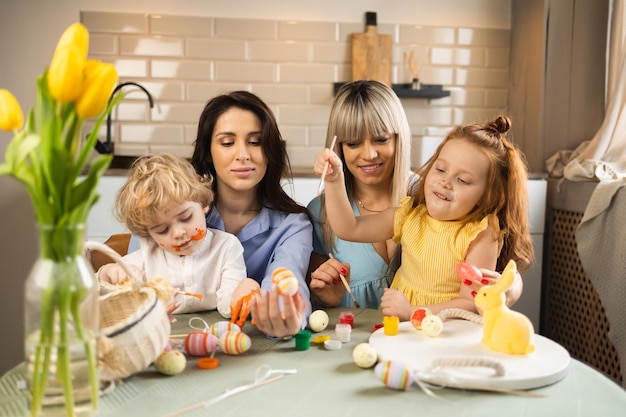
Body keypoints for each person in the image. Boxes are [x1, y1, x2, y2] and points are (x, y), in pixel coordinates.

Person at [314, 115, 533, 320]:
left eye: (463, 180)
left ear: (489, 195)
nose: (445, 182)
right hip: (400, 328)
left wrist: (411, 311)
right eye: (440, 169)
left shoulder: (481, 234)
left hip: (445, 332)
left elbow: (471, 303)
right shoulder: (410, 214)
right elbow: (349, 228)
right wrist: (334, 180)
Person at [191, 91, 313, 338]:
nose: (243, 154)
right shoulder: (173, 213)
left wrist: (285, 316)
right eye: (227, 143)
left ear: (270, 151)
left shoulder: (293, 226)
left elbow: (288, 278)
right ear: (207, 153)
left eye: (255, 142)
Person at [97, 153, 254, 317]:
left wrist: (243, 293)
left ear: (203, 204)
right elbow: (89, 295)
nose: (178, 233)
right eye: (162, 230)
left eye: (186, 218)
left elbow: (228, 306)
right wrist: (106, 275)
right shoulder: (146, 257)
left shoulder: (226, 248)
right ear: (148, 234)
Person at [307, 80, 412, 309]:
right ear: (340, 148)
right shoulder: (320, 214)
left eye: (381, 139)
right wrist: (326, 298)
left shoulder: (427, 196)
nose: (369, 154)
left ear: (398, 137)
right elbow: (314, 301)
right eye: (353, 143)